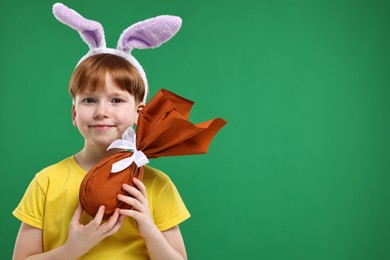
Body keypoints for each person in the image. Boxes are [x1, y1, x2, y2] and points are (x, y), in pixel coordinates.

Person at [13, 3, 190, 259]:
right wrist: (74, 248)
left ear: (139, 114)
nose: (101, 111)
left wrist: (149, 230)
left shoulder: (155, 186)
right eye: (89, 100)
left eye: (116, 100)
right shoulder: (46, 182)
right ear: (74, 113)